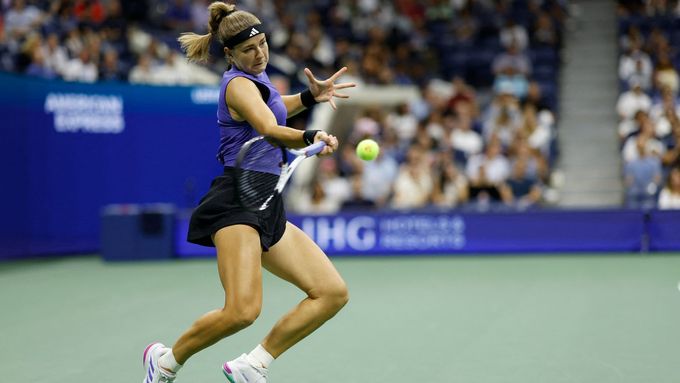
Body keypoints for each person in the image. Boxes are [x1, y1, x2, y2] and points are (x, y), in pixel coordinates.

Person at [141, 2, 355, 383]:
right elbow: (268, 127)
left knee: (331, 292)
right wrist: (311, 135)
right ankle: (166, 360)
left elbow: (274, 108)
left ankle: (253, 363)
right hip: (237, 200)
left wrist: (308, 98)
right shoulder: (238, 84)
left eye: (263, 45)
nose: (259, 55)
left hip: (266, 198)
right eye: (248, 50)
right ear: (229, 54)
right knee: (241, 310)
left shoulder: (258, 78)